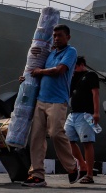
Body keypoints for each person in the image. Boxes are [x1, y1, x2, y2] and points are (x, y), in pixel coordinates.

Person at [23, 24, 81, 187]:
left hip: (57, 100)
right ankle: (38, 175)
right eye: (54, 36)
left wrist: (40, 71)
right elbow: (36, 67)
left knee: (56, 133)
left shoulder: (71, 51)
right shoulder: (49, 54)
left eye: (60, 35)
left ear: (68, 37)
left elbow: (60, 70)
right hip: (41, 100)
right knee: (36, 138)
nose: (56, 38)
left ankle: (72, 166)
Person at [64, 56, 100, 184]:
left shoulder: (90, 75)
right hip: (73, 114)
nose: (72, 69)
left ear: (81, 64)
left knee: (87, 142)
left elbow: (95, 93)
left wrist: (96, 113)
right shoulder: (73, 77)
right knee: (67, 140)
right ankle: (82, 164)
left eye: (74, 66)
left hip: (86, 115)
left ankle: (89, 174)